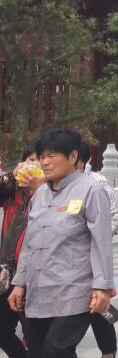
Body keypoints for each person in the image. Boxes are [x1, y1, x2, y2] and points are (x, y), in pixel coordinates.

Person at [9, 129, 113, 357]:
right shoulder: (39, 195)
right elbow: (29, 243)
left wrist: (102, 286)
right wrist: (19, 284)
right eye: (41, 156)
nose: (45, 162)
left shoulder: (91, 190)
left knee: (56, 349)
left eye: (51, 155)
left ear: (73, 156)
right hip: (38, 291)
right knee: (37, 351)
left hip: (73, 291)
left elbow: (101, 242)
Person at [77, 144, 118, 358]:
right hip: (67, 261)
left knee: (98, 306)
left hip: (92, 256)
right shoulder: (53, 185)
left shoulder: (98, 183)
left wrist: (97, 238)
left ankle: (108, 351)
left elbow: (114, 216)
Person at [0, 145, 41, 358]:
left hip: (35, 274)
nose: (33, 165)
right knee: (2, 330)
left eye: (39, 160)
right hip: (8, 273)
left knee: (35, 335)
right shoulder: (11, 192)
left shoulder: (52, 193)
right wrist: (10, 175)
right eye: (30, 160)